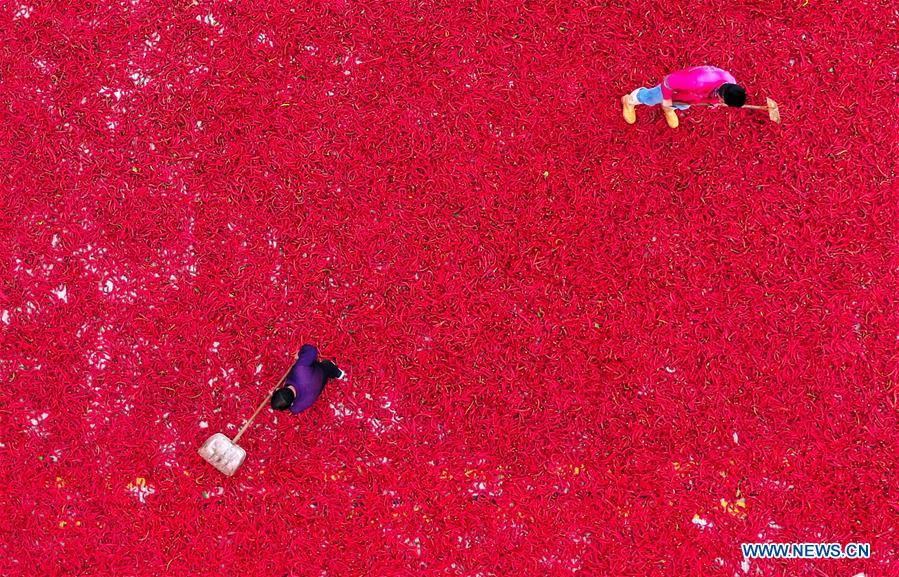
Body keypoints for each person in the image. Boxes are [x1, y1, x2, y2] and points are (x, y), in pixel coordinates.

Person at [621, 65, 746, 128]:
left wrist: (714, 102)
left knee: (682, 105)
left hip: (691, 98)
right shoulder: (697, 80)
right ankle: (630, 100)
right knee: (650, 98)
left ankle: (669, 109)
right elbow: (667, 82)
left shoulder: (730, 82)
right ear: (722, 96)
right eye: (723, 102)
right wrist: (667, 101)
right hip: (676, 90)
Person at [270, 344, 345, 414]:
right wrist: (300, 353)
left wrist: (277, 397)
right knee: (326, 366)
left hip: (318, 388)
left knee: (317, 376)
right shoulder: (300, 370)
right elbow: (312, 351)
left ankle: (334, 372)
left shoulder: (296, 408)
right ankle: (338, 373)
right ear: (277, 389)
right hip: (320, 373)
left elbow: (290, 405)